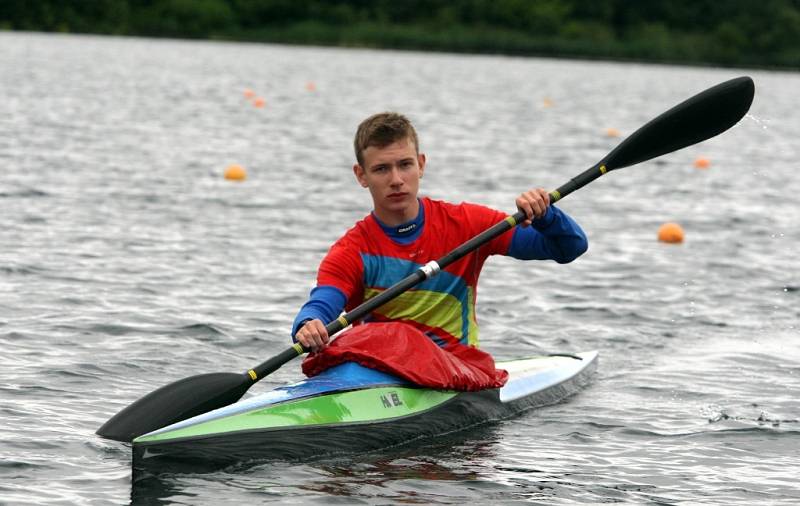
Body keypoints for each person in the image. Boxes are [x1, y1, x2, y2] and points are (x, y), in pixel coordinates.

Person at [293, 112, 587, 353]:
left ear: (420, 165)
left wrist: (547, 216)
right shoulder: (352, 250)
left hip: (456, 367)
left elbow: (569, 248)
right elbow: (322, 303)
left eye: (405, 165)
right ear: (361, 176)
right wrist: (309, 324)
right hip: (380, 368)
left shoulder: (468, 225)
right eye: (382, 169)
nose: (396, 180)